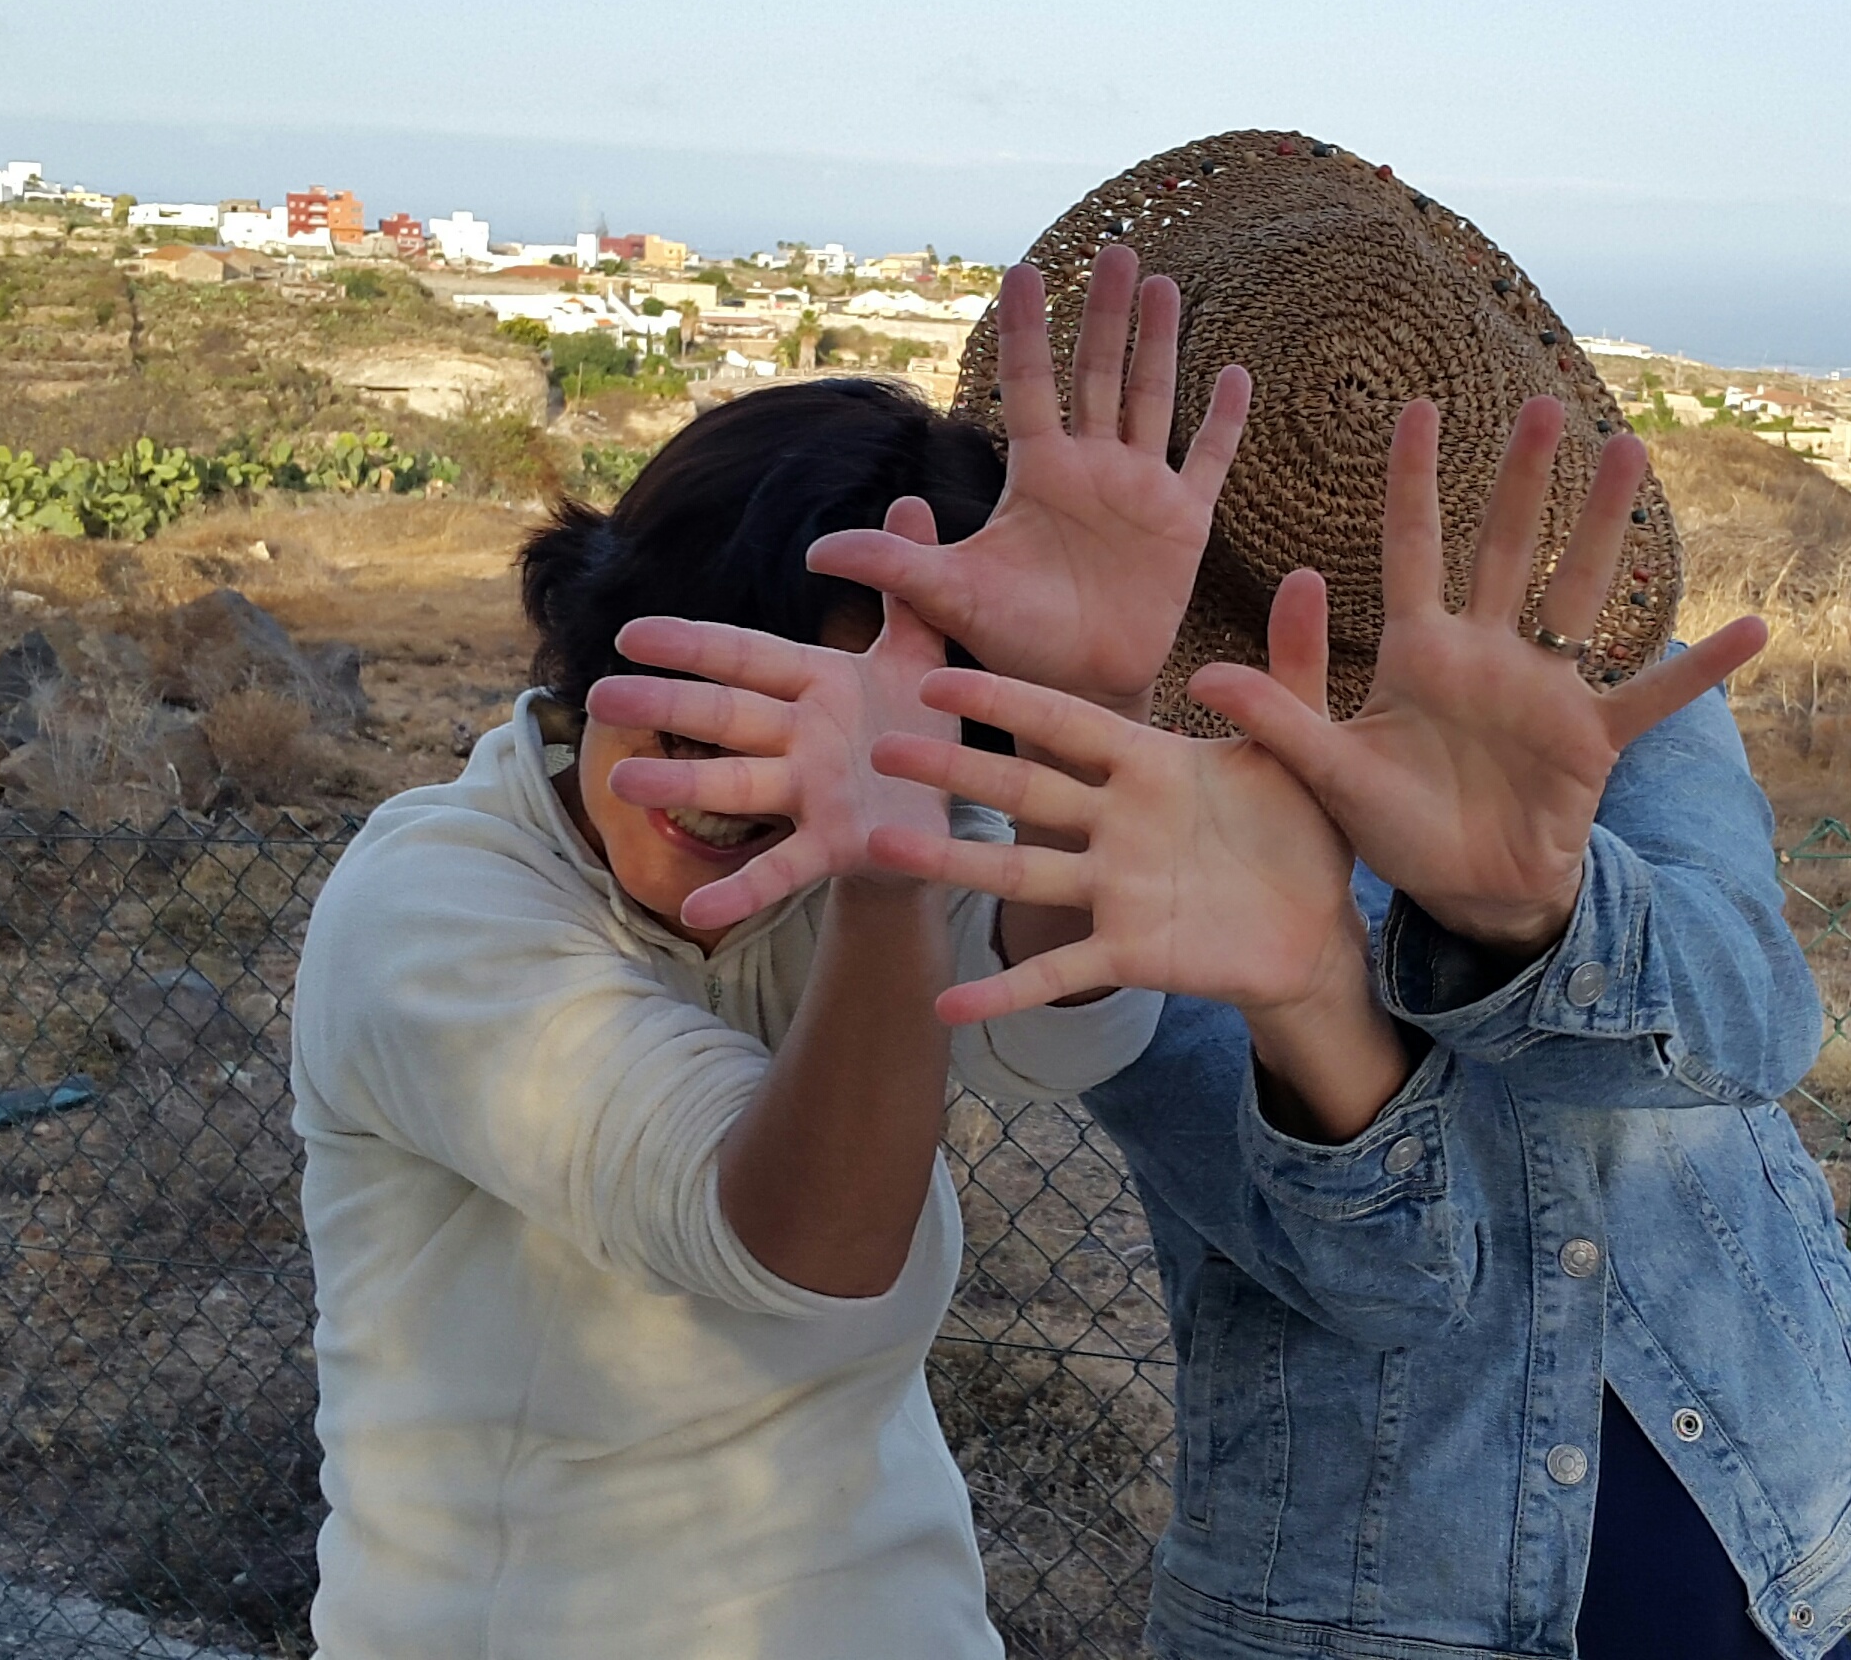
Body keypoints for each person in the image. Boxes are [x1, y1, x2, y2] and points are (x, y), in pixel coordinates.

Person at [842, 132, 1851, 1660]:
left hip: (1788, 1524)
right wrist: (1310, 997)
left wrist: (1535, 917)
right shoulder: (1112, 788)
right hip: (1365, 1600)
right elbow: (1374, 1280)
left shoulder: (1589, 693)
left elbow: (1755, 1022)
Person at [288, 245, 1247, 1660]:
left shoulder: (889, 811)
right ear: (590, 647)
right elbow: (800, 1249)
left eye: (805, 751)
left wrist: (1084, 707)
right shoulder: (431, 908)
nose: (731, 801)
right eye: (697, 728)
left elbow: (1060, 1027)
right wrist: (876, 880)